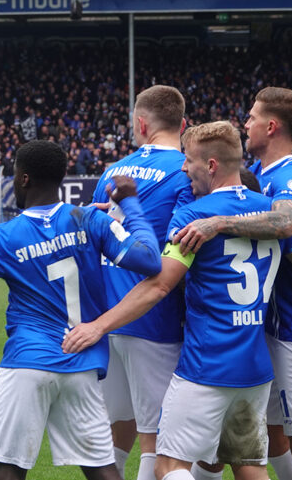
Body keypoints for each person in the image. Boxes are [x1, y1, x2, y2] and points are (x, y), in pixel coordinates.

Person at [62, 122, 292, 480]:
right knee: (250, 467)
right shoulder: (271, 212)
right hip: (255, 368)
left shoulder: (194, 216)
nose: (183, 168)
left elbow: (158, 286)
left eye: (189, 161)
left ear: (211, 166)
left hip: (205, 364)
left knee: (169, 464)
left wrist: (97, 325)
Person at [0, 139, 163, 480]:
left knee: (10, 466)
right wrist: (130, 203)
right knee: (102, 470)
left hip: (27, 363)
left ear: (23, 180)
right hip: (81, 361)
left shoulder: (1, 238)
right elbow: (149, 260)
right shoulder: (90, 220)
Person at [173, 88, 292, 480]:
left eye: (251, 117)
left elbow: (284, 224)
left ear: (271, 125)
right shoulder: (261, 175)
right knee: (268, 438)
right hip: (268, 323)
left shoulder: (290, 172)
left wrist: (217, 223)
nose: (245, 123)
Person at [92, 85, 192, 480]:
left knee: (117, 425)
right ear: (183, 125)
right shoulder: (186, 171)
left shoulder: (110, 173)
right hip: (154, 317)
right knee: (157, 438)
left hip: (110, 318)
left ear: (140, 123)